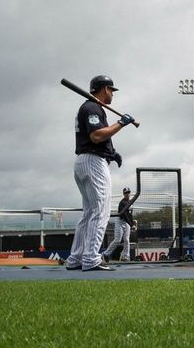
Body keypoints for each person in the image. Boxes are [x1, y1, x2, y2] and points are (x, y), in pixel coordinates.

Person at [64, 75, 135, 271]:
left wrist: (111, 153)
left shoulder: (91, 108)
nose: (112, 94)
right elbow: (96, 136)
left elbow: (96, 137)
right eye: (111, 90)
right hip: (93, 162)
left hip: (86, 160)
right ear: (104, 89)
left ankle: (76, 258)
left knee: (88, 213)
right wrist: (121, 123)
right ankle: (91, 258)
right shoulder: (92, 107)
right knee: (100, 211)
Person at [102, 187, 137, 261]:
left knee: (127, 240)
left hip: (126, 222)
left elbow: (130, 214)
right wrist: (131, 225)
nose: (127, 194)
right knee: (117, 240)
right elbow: (125, 215)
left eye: (128, 192)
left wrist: (133, 223)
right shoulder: (122, 203)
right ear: (123, 194)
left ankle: (125, 256)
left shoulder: (131, 202)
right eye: (126, 193)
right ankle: (105, 254)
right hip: (120, 221)